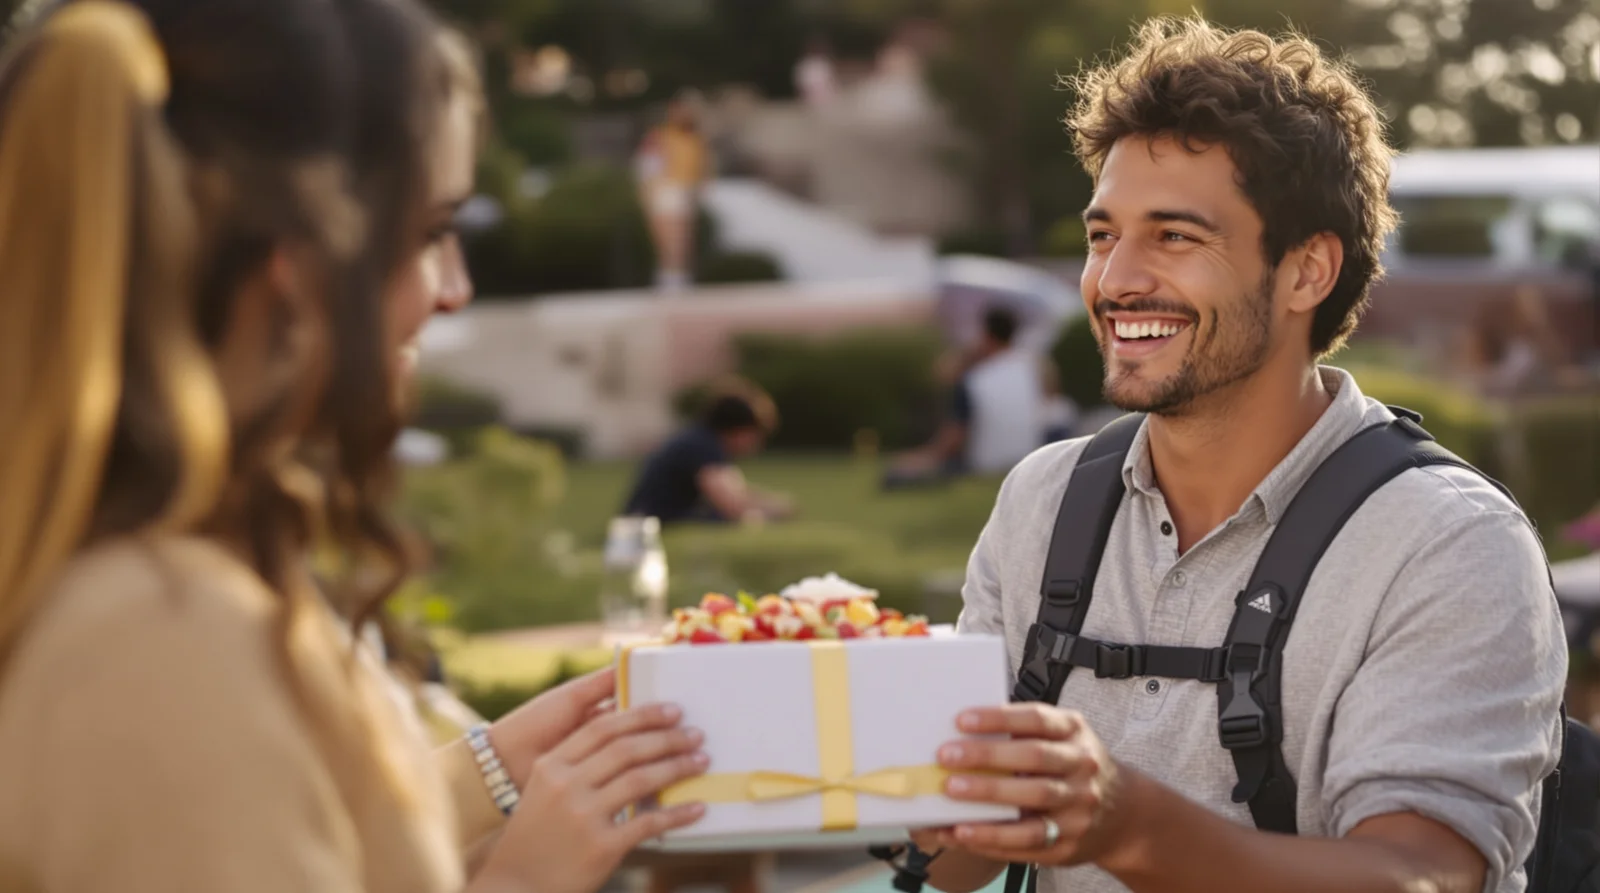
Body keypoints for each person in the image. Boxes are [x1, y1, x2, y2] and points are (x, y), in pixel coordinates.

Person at [0, 3, 707, 892]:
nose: (455, 289)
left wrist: (491, 769)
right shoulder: (160, 637)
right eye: (429, 233)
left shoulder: (161, 589)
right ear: (300, 259)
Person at [914, 16, 1566, 893]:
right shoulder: (1043, 498)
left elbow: (1419, 878)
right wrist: (758, 769)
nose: (1114, 281)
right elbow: (956, 860)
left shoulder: (1448, 543)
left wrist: (1130, 823)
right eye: (1104, 234)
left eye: (1175, 236)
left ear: (1307, 271)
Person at [886, 305, 1044, 487]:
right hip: (1026, 456)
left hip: (983, 463)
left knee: (896, 475)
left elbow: (953, 438)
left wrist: (922, 459)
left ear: (986, 335)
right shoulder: (1030, 368)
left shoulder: (974, 380)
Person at [622, 380, 791, 525]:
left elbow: (736, 491)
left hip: (649, 520)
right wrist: (770, 512)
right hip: (651, 525)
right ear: (740, 431)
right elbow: (731, 505)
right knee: (719, 520)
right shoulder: (702, 446)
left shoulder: (700, 439)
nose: (757, 444)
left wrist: (770, 505)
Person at [635, 90, 710, 292]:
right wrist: (649, 195)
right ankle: (670, 283)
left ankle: (678, 281)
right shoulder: (659, 136)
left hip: (686, 191)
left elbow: (700, 170)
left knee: (684, 242)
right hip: (667, 190)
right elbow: (647, 169)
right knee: (670, 242)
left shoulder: (694, 139)